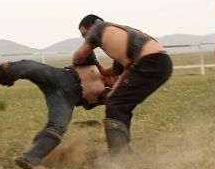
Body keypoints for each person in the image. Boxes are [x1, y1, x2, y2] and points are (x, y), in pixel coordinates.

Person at [0, 60, 114, 169]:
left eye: (118, 80)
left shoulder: (110, 93)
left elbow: (88, 104)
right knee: (21, 66)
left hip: (67, 98)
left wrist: (108, 94)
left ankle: (30, 157)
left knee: (57, 126)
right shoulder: (92, 63)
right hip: (58, 76)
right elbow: (79, 55)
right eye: (116, 74)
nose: (115, 79)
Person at [72, 15, 172, 156]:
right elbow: (115, 70)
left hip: (149, 62)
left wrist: (82, 62)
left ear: (92, 26)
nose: (85, 39)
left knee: (115, 103)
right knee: (120, 104)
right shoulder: (121, 33)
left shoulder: (98, 28)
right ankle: (122, 149)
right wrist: (101, 69)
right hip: (162, 62)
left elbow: (78, 57)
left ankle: (118, 155)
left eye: (84, 34)